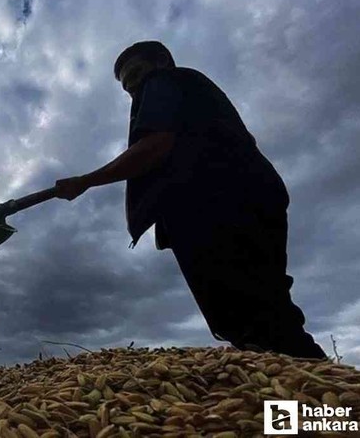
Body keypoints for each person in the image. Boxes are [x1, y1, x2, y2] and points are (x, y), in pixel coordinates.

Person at [55, 41, 326, 359]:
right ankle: (306, 394)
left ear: (162, 63)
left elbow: (157, 144)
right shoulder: (194, 94)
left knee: (254, 314)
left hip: (222, 198)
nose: (137, 90)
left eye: (138, 76)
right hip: (244, 193)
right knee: (260, 308)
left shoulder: (167, 81)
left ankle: (317, 398)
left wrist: (85, 181)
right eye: (129, 88)